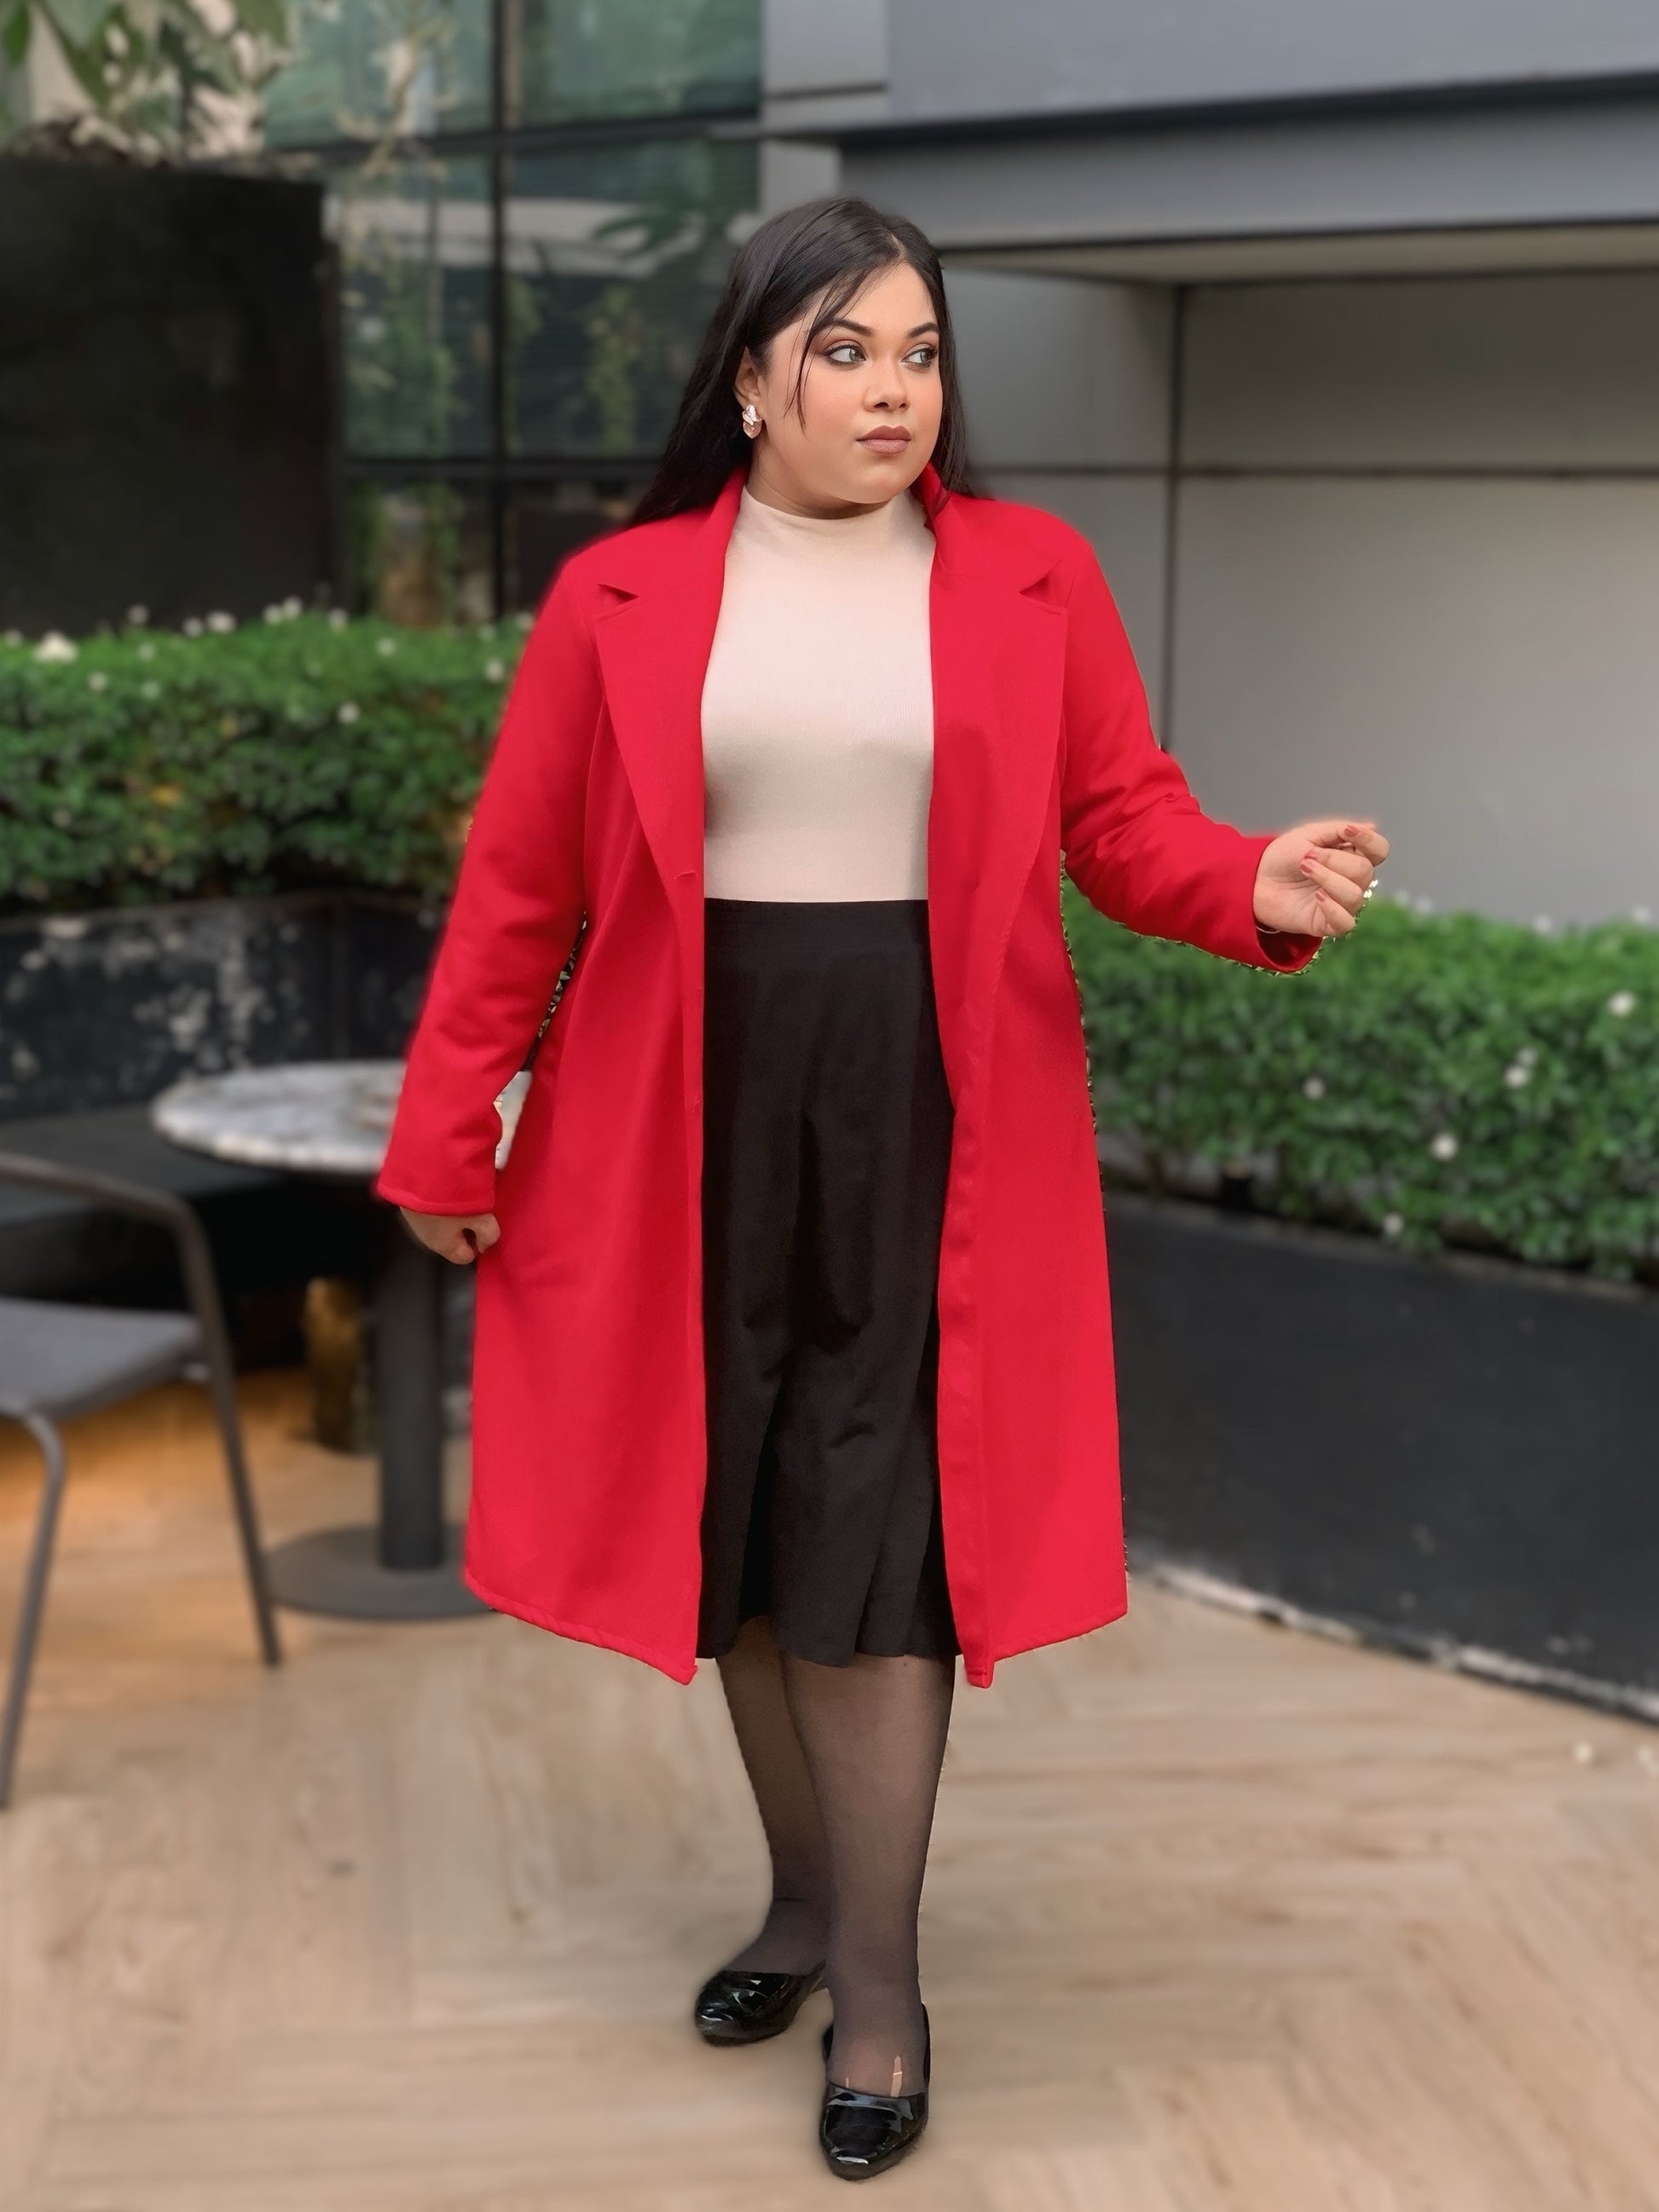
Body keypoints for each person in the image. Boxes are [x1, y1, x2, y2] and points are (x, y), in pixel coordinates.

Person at [373, 193, 1389, 2183]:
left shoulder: (1027, 573)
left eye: (920, 351)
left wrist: (1243, 877)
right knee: (736, 1509)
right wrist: (446, 1132)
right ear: (750, 379)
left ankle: (881, 1989)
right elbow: (519, 885)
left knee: (884, 1522)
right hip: (680, 1101)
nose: (892, 388)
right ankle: (798, 1898)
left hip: (935, 1103)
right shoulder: (617, 595)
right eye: (844, 349)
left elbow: (1121, 819)